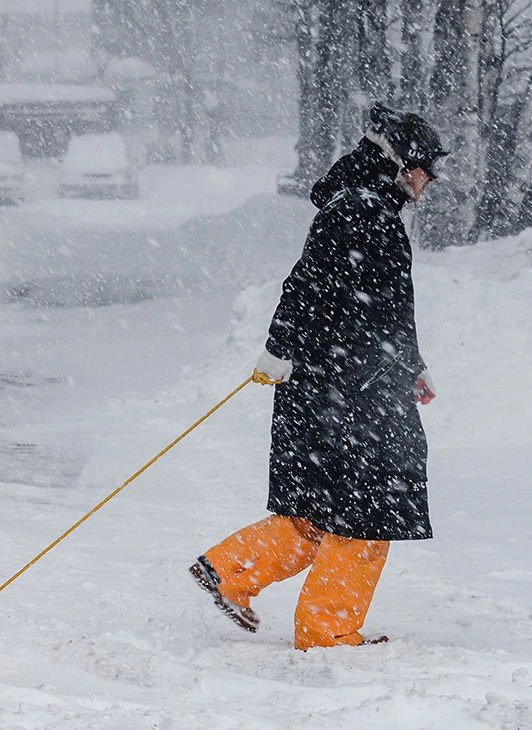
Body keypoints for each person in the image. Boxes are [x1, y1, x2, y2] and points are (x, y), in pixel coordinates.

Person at [190, 102, 447, 650]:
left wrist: (412, 364)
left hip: (339, 384)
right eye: (426, 166)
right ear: (400, 162)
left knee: (320, 511)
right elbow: (306, 285)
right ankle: (326, 631)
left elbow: (382, 309)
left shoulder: (362, 206)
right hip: (353, 390)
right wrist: (280, 350)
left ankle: (231, 570)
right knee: (370, 511)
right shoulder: (362, 211)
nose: (431, 179)